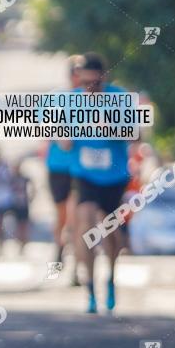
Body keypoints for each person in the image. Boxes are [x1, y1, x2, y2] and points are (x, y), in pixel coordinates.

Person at [66, 52, 130, 314]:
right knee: (85, 223)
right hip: (85, 175)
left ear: (103, 78)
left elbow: (135, 133)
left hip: (114, 176)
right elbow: (64, 140)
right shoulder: (72, 101)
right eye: (84, 83)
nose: (89, 88)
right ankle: (90, 288)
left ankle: (111, 278)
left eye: (94, 83)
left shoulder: (120, 98)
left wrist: (109, 127)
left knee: (111, 232)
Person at [45, 55, 84, 283]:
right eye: (77, 73)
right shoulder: (56, 97)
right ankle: (59, 249)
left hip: (83, 168)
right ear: (71, 75)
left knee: (77, 216)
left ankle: (78, 268)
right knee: (62, 216)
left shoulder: (93, 99)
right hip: (59, 166)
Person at [9, 159, 33, 255]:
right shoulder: (11, 178)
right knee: (16, 226)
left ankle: (23, 244)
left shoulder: (24, 177)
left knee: (24, 225)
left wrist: (31, 197)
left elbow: (32, 184)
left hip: (24, 204)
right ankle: (19, 244)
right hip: (14, 205)